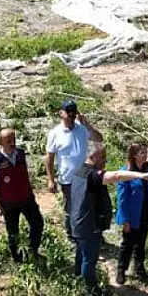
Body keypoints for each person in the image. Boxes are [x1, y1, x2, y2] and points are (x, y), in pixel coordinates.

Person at [70, 143, 148, 296]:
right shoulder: (92, 175)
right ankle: (92, 290)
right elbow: (116, 176)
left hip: (77, 220)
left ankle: (77, 280)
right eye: (102, 157)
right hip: (88, 224)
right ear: (93, 157)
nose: (105, 160)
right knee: (89, 259)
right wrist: (139, 175)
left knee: (81, 253)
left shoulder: (78, 171)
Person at [46, 100, 101, 239]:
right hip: (68, 178)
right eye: (68, 112)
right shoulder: (55, 133)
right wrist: (50, 180)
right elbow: (49, 158)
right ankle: (72, 236)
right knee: (71, 209)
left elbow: (99, 139)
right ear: (61, 113)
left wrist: (87, 124)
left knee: (90, 206)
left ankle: (92, 234)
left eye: (73, 112)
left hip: (85, 177)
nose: (71, 115)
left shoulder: (82, 129)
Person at [0, 128, 44, 262]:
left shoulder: (20, 154)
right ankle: (17, 258)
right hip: (9, 203)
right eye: (8, 141)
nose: (12, 143)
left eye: (13, 140)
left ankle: (32, 250)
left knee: (38, 223)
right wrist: (0, 207)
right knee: (13, 232)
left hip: (27, 198)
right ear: (0, 142)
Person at [114, 143, 148, 284]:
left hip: (146, 212)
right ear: (134, 155)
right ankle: (121, 270)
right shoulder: (126, 172)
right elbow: (122, 199)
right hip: (132, 215)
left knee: (141, 244)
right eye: (142, 153)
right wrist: (125, 220)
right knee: (127, 244)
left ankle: (139, 268)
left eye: (145, 152)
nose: (145, 155)